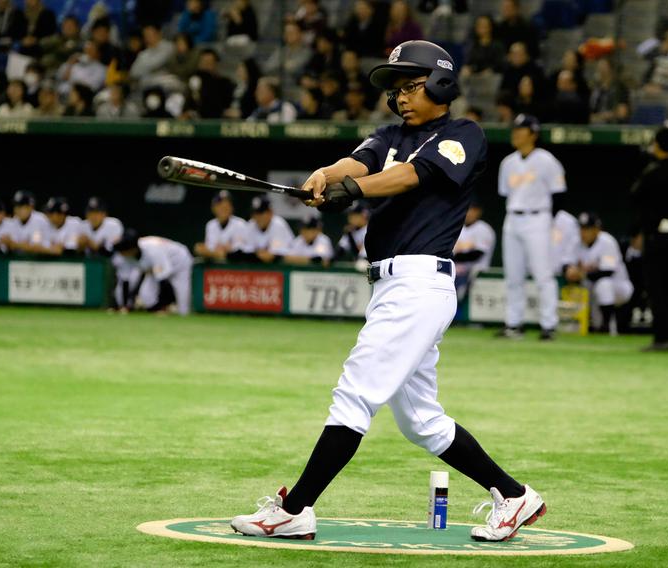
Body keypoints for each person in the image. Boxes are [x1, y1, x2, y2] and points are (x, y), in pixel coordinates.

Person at [230, 40, 546, 543]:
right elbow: (358, 163)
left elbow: (407, 177)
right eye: (396, 89)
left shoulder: (463, 133)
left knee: (354, 394)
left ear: (442, 85)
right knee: (421, 421)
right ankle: (513, 495)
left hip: (419, 284)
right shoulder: (389, 134)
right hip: (391, 284)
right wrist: (327, 177)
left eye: (412, 85)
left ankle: (295, 508)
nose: (400, 96)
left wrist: (352, 191)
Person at [497, 114, 567, 340]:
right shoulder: (508, 163)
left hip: (538, 218)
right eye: (515, 130)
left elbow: (559, 194)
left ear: (533, 134)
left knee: (542, 274)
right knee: (513, 275)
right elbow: (505, 194)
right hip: (512, 219)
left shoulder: (546, 160)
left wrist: (551, 223)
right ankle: (513, 324)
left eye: (521, 130)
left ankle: (549, 325)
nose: (516, 134)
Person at [630, 127, 668, 351]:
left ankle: (663, 337)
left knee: (659, 288)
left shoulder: (656, 170)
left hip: (659, 238)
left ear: (658, 145)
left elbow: (635, 194)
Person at [564, 212, 634, 334]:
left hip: (619, 287)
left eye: (587, 229)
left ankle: (607, 324)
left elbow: (608, 272)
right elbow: (565, 262)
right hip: (592, 287)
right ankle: (605, 328)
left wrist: (581, 274)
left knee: (603, 285)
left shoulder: (607, 242)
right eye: (581, 228)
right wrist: (569, 270)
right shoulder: (576, 242)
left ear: (597, 230)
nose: (583, 232)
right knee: (598, 324)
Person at [112, 230, 193, 315]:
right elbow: (125, 281)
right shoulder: (124, 256)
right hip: (154, 268)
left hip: (179, 262)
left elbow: (164, 282)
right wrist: (125, 306)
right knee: (146, 295)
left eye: (123, 250)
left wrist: (162, 307)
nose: (120, 253)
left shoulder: (152, 250)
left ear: (132, 249)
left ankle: (171, 310)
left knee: (183, 305)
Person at [453, 202, 496, 300]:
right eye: (468, 209)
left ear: (478, 212)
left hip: (476, 272)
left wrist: (452, 256)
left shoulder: (484, 229)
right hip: (457, 272)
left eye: (473, 210)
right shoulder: (458, 227)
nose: (469, 213)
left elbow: (476, 255)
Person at [194, 190, 247, 261]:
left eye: (227, 205)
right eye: (220, 205)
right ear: (213, 208)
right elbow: (209, 250)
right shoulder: (211, 225)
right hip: (216, 268)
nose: (223, 207)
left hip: (235, 269)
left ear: (232, 208)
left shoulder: (240, 224)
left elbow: (238, 254)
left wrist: (211, 253)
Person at [239, 195, 294, 263]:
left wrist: (257, 253)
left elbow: (274, 255)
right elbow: (246, 251)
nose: (257, 217)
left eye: (260, 213)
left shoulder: (279, 225)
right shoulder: (251, 224)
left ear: (270, 213)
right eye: (255, 213)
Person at [2, 190, 53, 254]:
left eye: (21, 206)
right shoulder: (15, 221)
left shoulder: (40, 220)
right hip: (22, 261)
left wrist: (15, 244)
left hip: (43, 261)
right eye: (16, 206)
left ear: (30, 207)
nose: (17, 209)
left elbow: (36, 248)